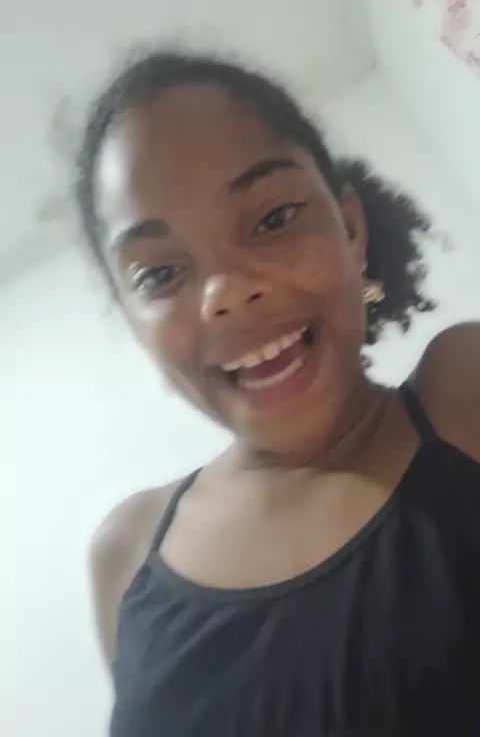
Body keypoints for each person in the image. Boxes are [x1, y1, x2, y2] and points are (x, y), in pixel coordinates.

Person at [77, 52, 480, 737]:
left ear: (350, 229)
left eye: (272, 218)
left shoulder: (463, 391)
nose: (227, 292)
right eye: (159, 274)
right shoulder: (124, 555)